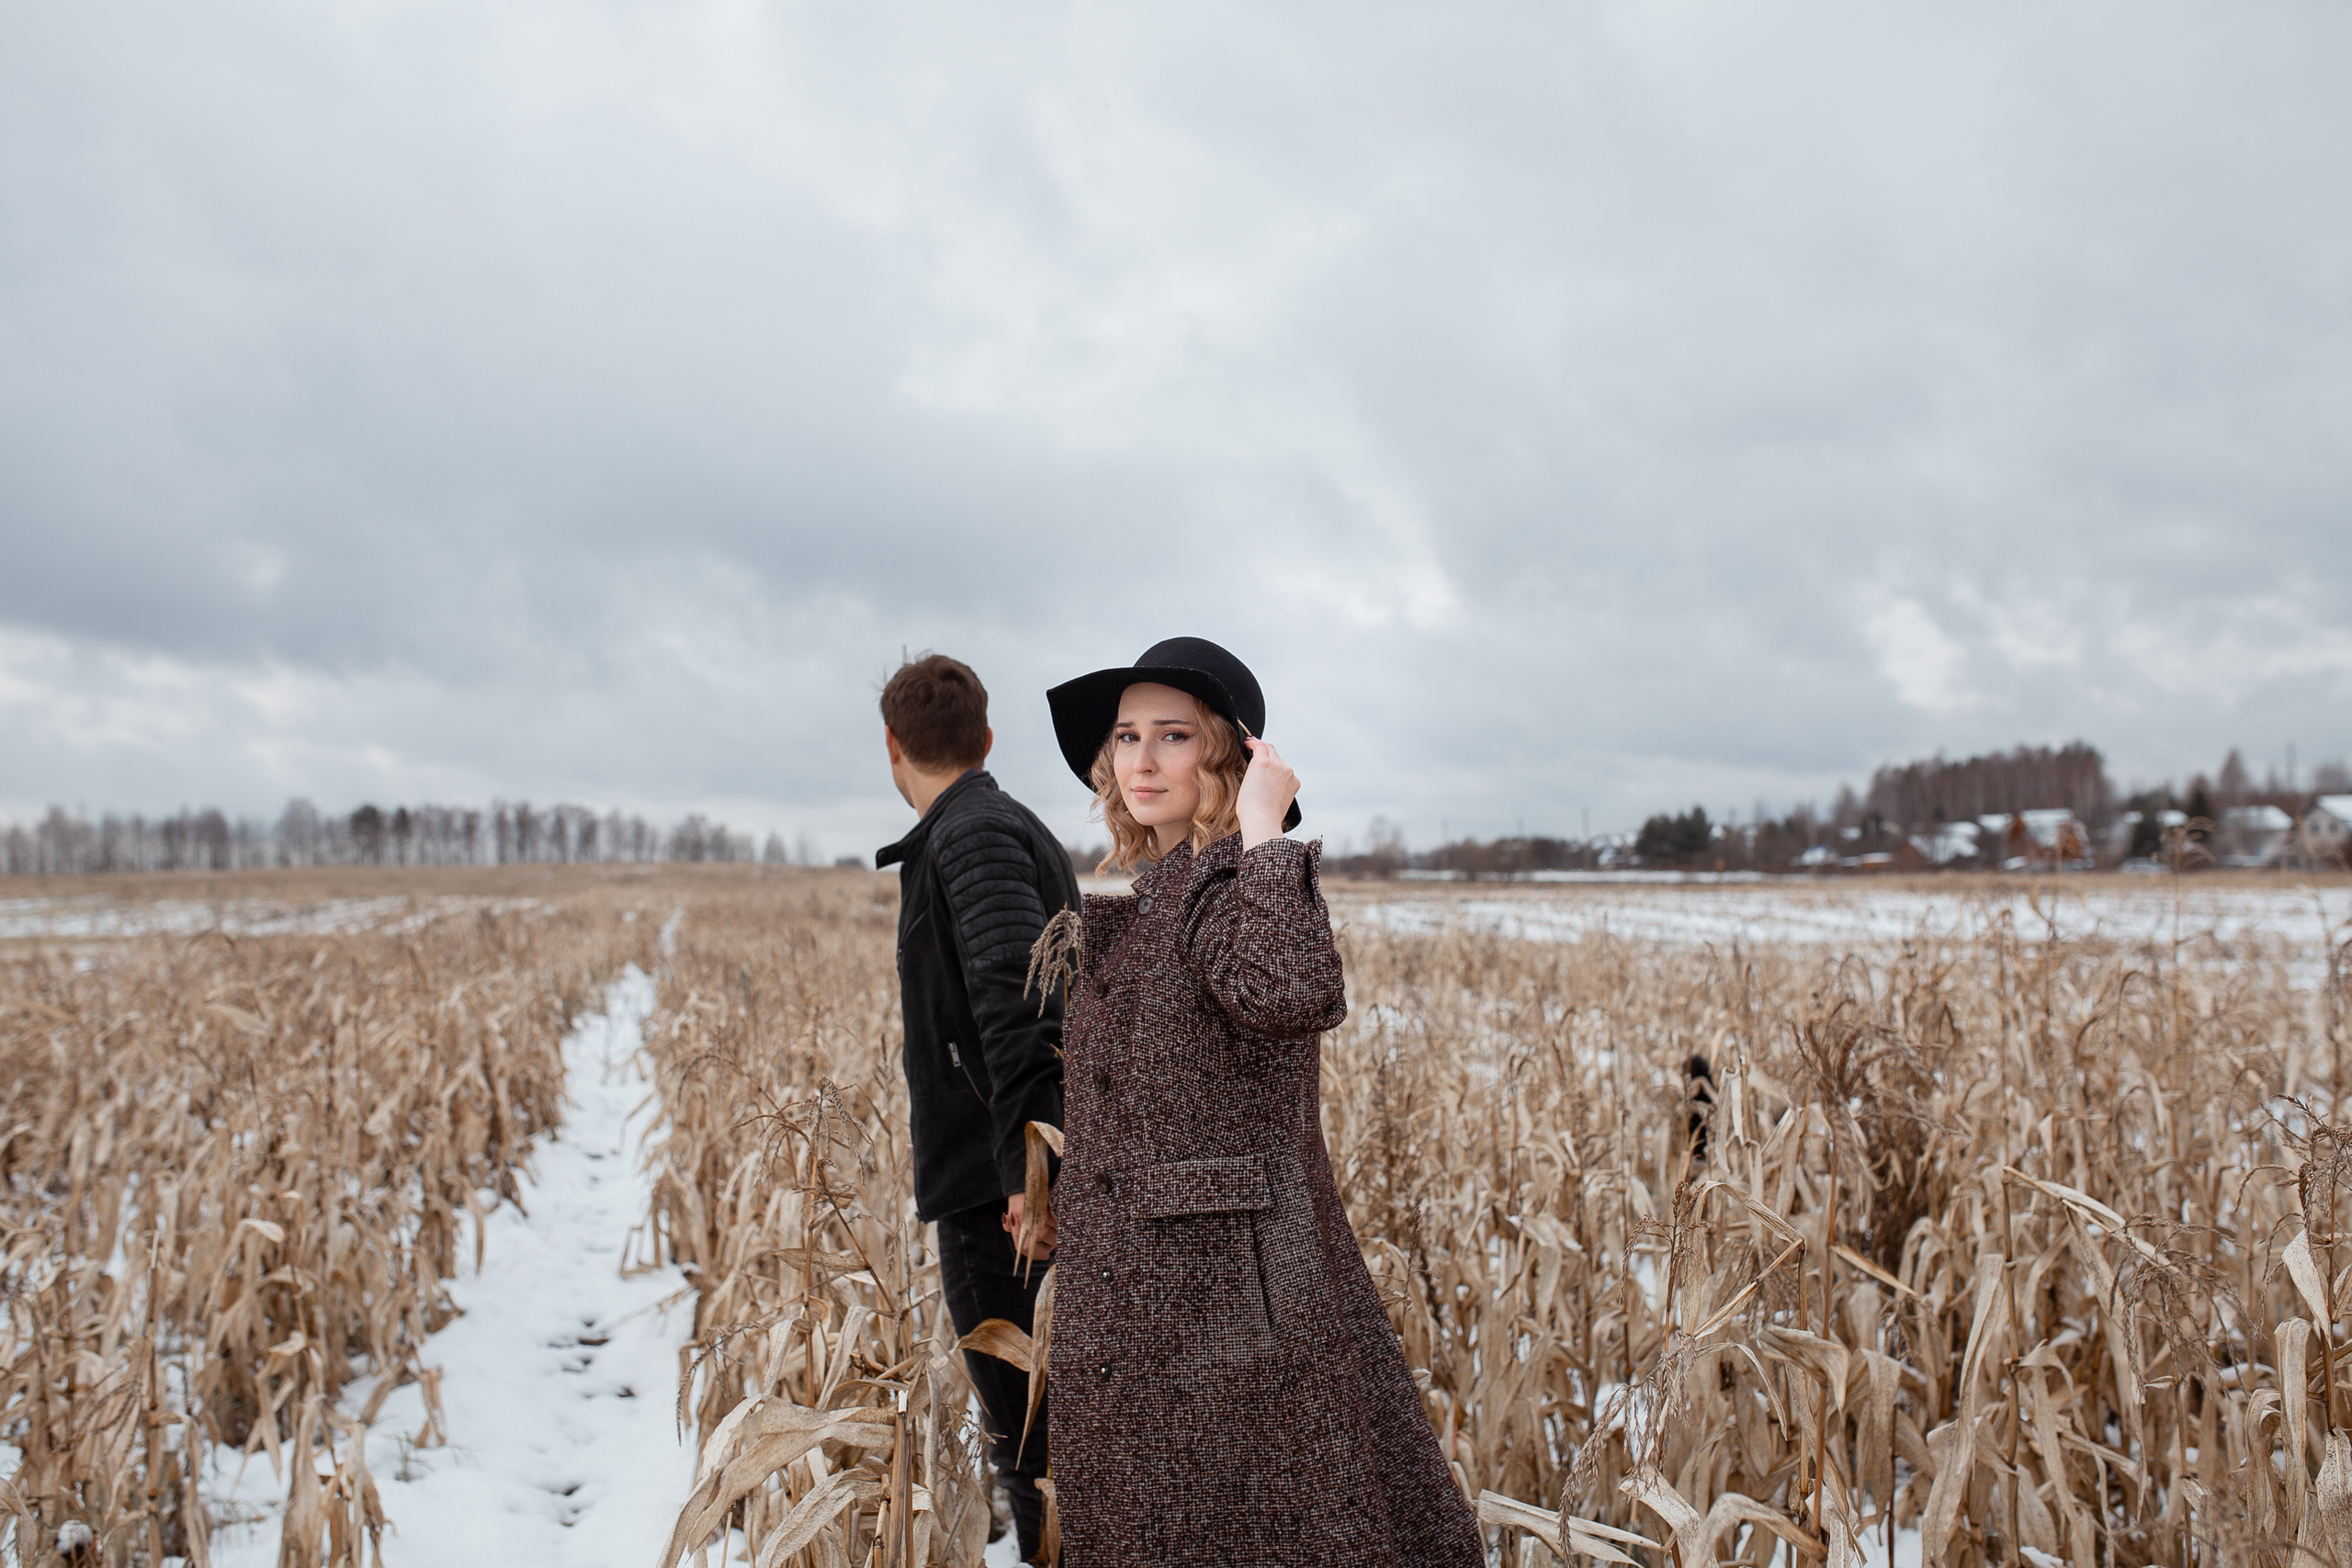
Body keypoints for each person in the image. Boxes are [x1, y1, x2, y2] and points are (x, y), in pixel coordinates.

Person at [1034, 637, 1483, 1566]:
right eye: (1126, 738)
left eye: (1174, 736)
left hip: (1233, 1314)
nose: (1144, 760)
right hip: (1152, 1308)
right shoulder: (1157, 897)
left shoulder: (1240, 882)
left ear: (1228, 759)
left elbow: (1289, 993)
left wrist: (1267, 832)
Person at [874, 653, 1075, 1565]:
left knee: (1037, 1450)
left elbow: (1019, 1003)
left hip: (1007, 1207)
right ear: (985, 739)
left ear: (891, 748)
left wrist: (1028, 1177)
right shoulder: (980, 827)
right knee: (1039, 1444)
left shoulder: (973, 836)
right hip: (1002, 1191)